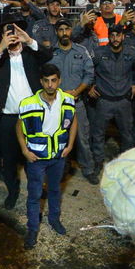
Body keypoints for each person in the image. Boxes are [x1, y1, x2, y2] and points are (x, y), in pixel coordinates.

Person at [0, 22, 51, 210]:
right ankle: (13, 192)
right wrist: (1, 47)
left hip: (32, 117)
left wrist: (29, 41)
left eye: (14, 33)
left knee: (34, 156)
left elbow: (48, 55)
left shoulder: (30, 54)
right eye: (7, 34)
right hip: (7, 118)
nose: (11, 36)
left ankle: (36, 188)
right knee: (10, 159)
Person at [16, 63, 75, 249]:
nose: (50, 85)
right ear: (41, 81)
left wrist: (70, 145)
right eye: (46, 81)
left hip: (58, 156)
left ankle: (54, 220)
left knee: (55, 190)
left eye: (54, 80)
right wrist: (25, 150)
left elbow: (74, 122)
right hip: (37, 158)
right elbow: (19, 126)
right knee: (34, 195)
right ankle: (32, 228)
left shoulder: (68, 100)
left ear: (59, 80)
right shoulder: (27, 103)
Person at [87, 24, 135, 173]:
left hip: (124, 101)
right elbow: (87, 69)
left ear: (123, 36)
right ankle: (98, 161)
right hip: (104, 101)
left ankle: (126, 162)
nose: (115, 39)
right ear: (109, 37)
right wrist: (89, 86)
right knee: (98, 134)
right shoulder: (99, 53)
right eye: (112, 35)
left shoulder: (131, 52)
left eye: (118, 35)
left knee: (127, 134)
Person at [49, 19, 97, 184]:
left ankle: (88, 169)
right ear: (57, 32)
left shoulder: (81, 51)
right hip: (56, 104)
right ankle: (62, 169)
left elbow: (89, 74)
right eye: (60, 29)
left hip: (77, 103)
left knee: (82, 138)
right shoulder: (50, 53)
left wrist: (76, 92)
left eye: (67, 29)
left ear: (71, 31)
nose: (64, 32)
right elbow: (45, 75)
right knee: (59, 139)